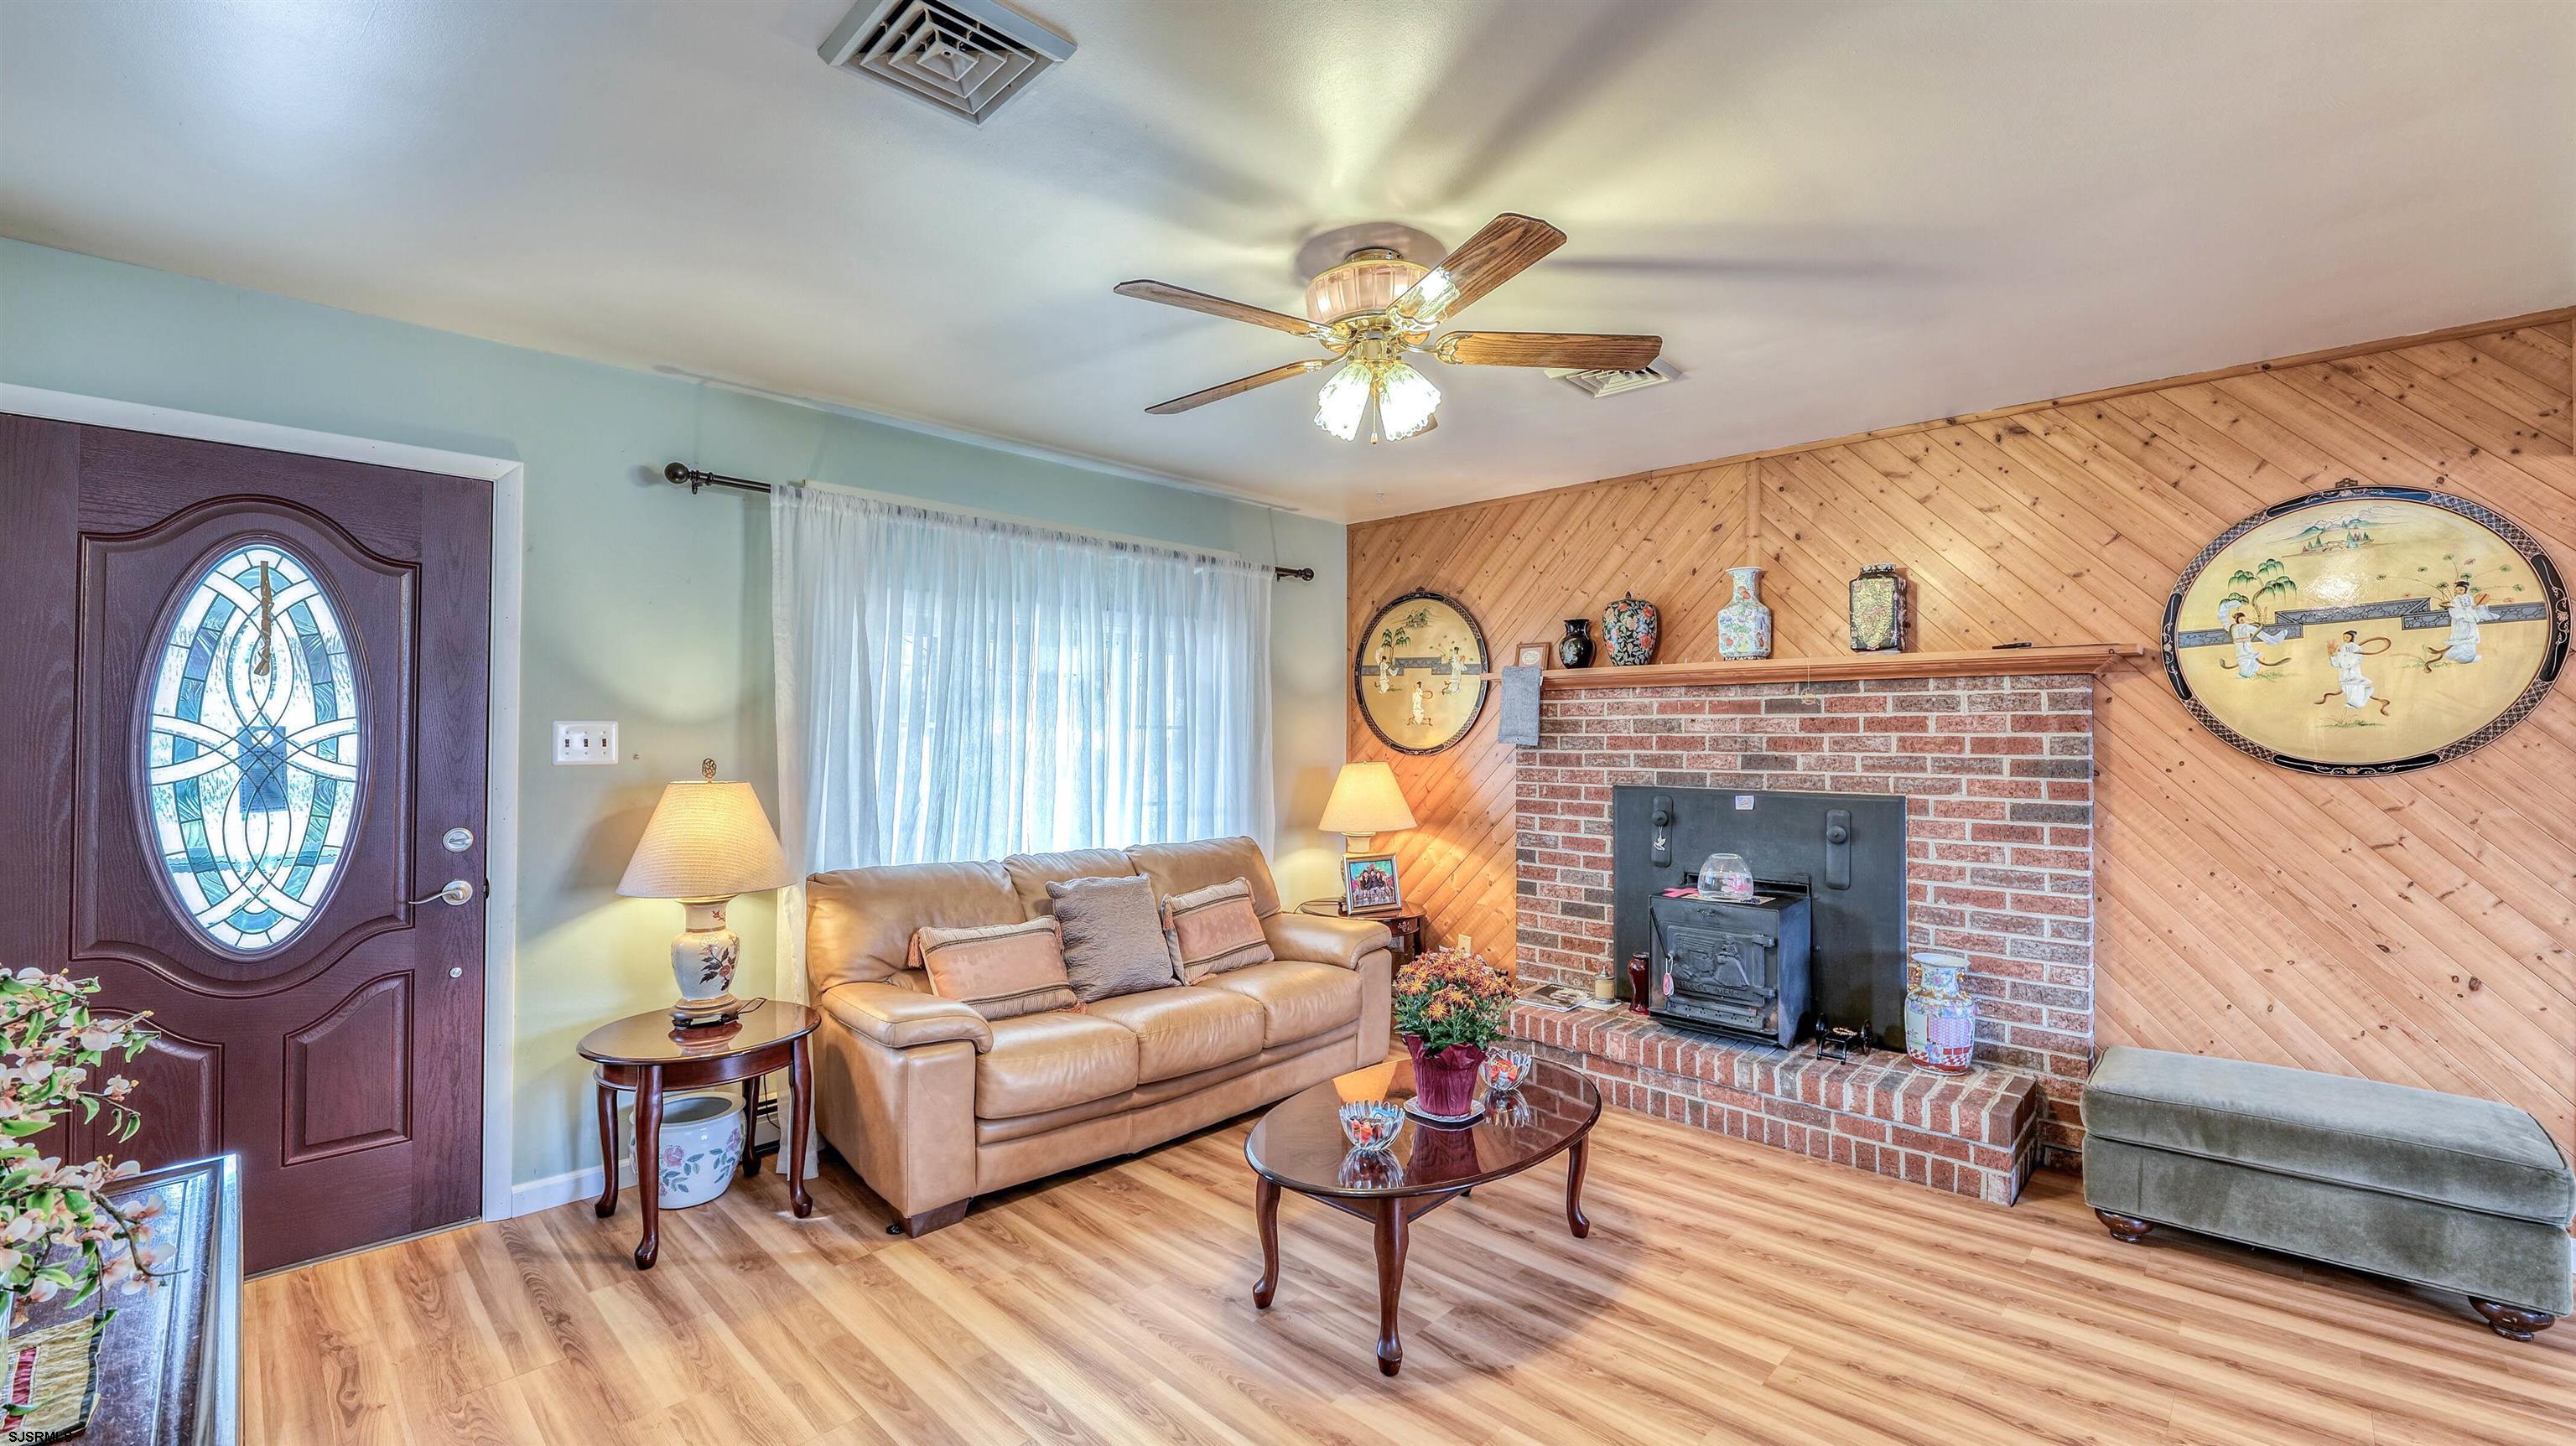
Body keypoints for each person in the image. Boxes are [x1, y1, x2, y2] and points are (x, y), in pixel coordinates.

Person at [2423, 578, 2496, 670]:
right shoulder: (2455, 600)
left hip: (2470, 624)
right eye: (2457, 590)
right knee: (2459, 637)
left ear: (2465, 590)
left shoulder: (2470, 598)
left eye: (2461, 590)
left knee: (2469, 639)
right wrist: (2465, 612)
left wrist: (2475, 608)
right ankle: (2454, 653)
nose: (2459, 591)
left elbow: (2475, 607)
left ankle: (2466, 655)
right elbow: (2454, 610)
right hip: (2460, 622)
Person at [2316, 630, 2392, 716]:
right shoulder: (2342, 648)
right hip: (2344, 675)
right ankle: (2367, 695)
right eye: (2344, 637)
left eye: (2347, 637)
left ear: (2352, 638)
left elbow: (2354, 660)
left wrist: (2345, 660)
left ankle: (2365, 697)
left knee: (2355, 697)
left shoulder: (2356, 648)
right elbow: (2337, 664)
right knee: (2350, 692)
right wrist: (2331, 654)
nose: (2345, 639)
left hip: (2353, 674)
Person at [2227, 610, 2287, 678]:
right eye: (2241, 619)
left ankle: (2248, 674)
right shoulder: (2239, 627)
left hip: (2246, 646)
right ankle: (2274, 640)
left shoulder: (2236, 627)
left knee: (2252, 660)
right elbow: (2256, 631)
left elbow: (2256, 630)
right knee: (2246, 660)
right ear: (2237, 620)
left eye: (2244, 619)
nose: (2243, 620)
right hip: (2242, 647)